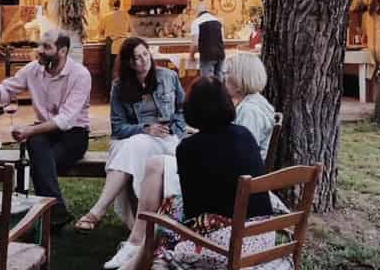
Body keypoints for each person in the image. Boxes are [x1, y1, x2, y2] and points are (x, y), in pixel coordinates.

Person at [104, 54, 275, 269]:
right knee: (167, 212)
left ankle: (134, 255)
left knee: (161, 227)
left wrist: (164, 219)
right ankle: (134, 255)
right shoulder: (244, 134)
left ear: (191, 110)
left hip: (230, 245)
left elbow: (193, 215)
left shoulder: (189, 148)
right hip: (263, 236)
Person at [0, 29, 92, 230]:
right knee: (37, 147)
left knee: (38, 154)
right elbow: (9, 89)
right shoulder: (33, 69)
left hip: (75, 134)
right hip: (46, 132)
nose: (39, 50)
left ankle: (43, 212)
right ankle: (56, 211)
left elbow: (66, 120)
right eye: (40, 45)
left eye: (46, 47)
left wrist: (30, 131)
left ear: (62, 51)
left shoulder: (80, 75)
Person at [75, 37, 185, 233]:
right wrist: (144, 129)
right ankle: (138, 230)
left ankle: (99, 211)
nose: (143, 61)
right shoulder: (119, 87)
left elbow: (183, 109)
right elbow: (118, 128)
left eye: (145, 54)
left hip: (166, 139)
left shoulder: (168, 77)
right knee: (135, 145)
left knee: (130, 149)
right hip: (134, 138)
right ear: (128, 62)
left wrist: (175, 129)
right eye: (136, 58)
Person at [188, 1, 225, 80]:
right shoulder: (218, 21)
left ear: (198, 11)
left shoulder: (196, 22)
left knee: (207, 81)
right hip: (220, 55)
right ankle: (220, 92)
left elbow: (195, 44)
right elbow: (222, 40)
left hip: (207, 56)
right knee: (219, 80)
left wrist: (191, 56)